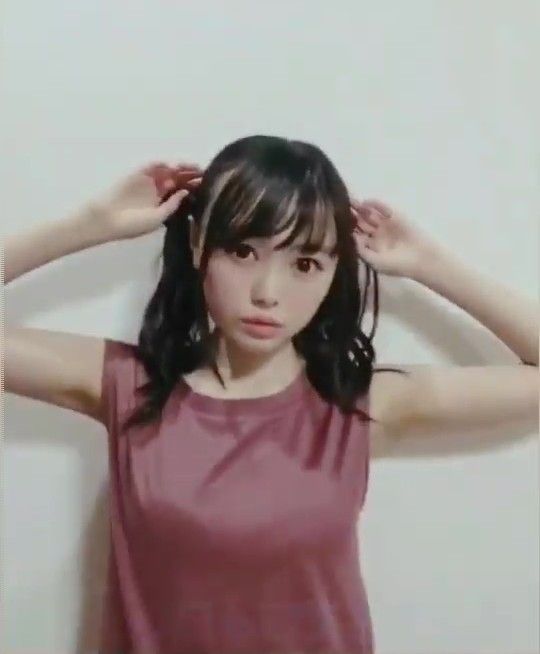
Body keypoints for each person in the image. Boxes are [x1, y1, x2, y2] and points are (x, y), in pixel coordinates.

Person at [5, 134, 538, 653]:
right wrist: (88, 226)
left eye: (305, 264)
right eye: (242, 251)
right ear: (198, 246)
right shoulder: (130, 385)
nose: (267, 293)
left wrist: (430, 265)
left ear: (334, 273)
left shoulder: (355, 407)